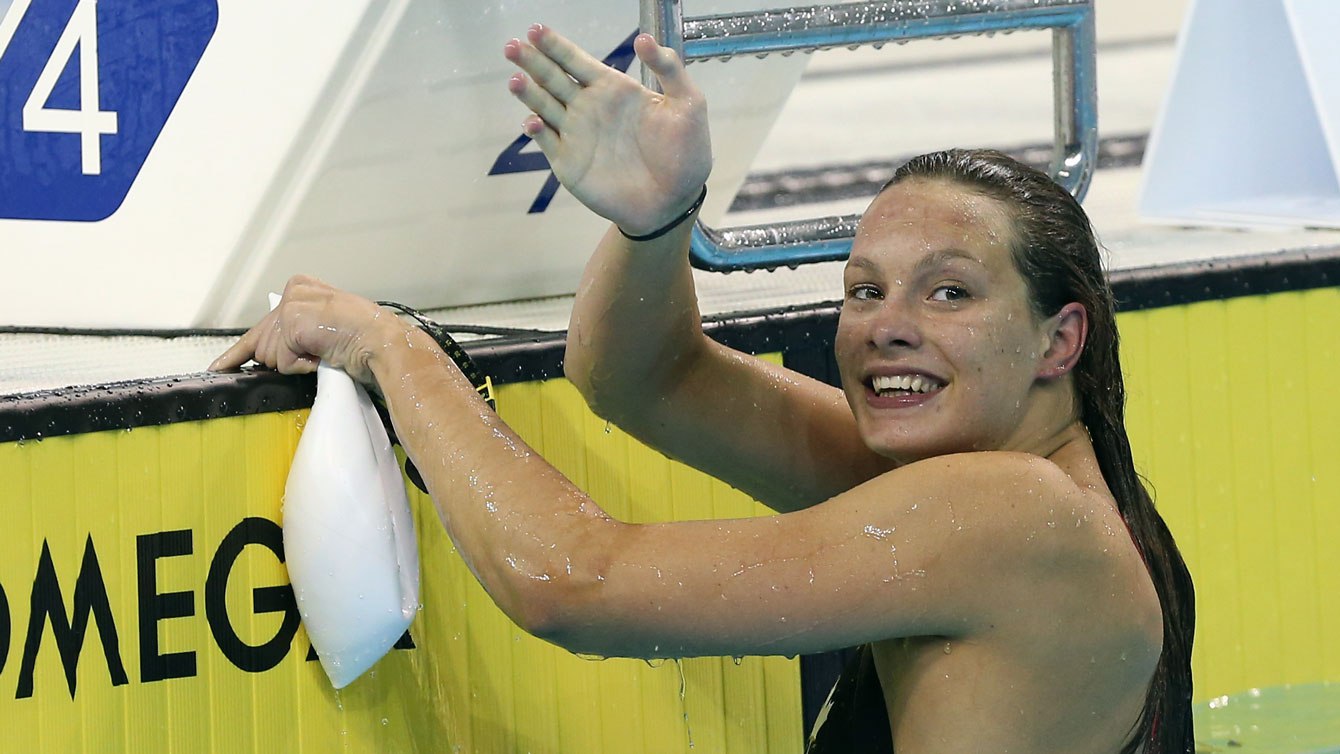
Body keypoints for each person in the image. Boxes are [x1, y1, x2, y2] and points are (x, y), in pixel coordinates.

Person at [211, 24, 1194, 754]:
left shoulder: (1011, 514)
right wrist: (657, 223)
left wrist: (395, 350)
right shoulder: (1010, 486)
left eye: (948, 291)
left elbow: (573, 584)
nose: (888, 321)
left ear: (1057, 337)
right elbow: (648, 378)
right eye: (863, 289)